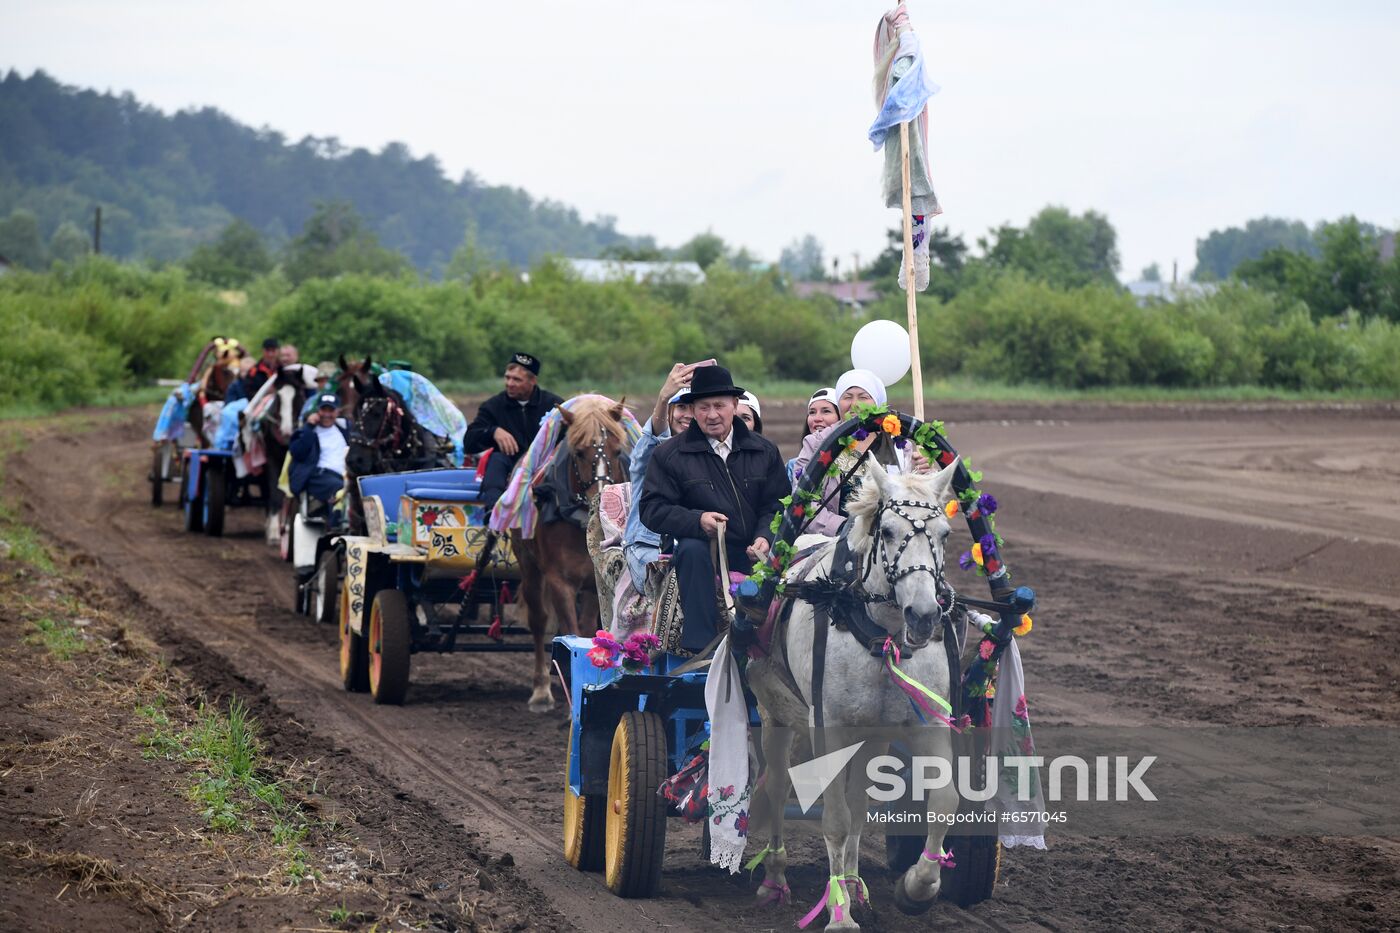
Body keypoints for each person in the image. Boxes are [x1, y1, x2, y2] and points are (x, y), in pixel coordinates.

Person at [639, 365, 789, 652]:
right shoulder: (669, 454)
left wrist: (764, 537)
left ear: (735, 405)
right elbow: (652, 509)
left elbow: (778, 504)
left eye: (719, 405)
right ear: (693, 411)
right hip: (704, 552)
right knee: (691, 549)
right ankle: (701, 647)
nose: (712, 415)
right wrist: (698, 521)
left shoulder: (764, 450)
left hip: (752, 549)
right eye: (703, 407)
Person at [789, 368, 930, 537]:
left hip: (889, 542)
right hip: (832, 543)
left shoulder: (900, 446)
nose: (854, 404)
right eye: (847, 397)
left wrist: (920, 474)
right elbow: (802, 501)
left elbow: (918, 503)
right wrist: (844, 528)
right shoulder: (816, 443)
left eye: (863, 397)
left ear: (878, 402)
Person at [622, 360, 713, 592]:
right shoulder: (654, 450)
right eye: (681, 407)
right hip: (649, 546)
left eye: (694, 407)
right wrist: (663, 398)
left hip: (695, 545)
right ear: (670, 411)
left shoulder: (710, 451)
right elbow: (655, 439)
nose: (689, 415)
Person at [463, 352, 564, 512]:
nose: (509, 383)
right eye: (507, 377)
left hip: (544, 465)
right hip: (508, 464)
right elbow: (468, 443)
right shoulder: (493, 406)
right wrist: (493, 431)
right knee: (496, 459)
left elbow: (570, 437)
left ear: (533, 381)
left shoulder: (554, 405)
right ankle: (494, 514)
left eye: (517, 379)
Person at [288, 393, 349, 507]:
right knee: (338, 488)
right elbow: (297, 453)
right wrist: (309, 426)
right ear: (317, 410)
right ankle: (336, 523)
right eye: (323, 410)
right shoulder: (308, 430)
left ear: (337, 412)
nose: (326, 414)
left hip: (345, 476)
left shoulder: (344, 428)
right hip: (318, 476)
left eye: (330, 410)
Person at [786, 387, 841, 483]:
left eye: (826, 411)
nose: (817, 418)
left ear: (841, 417)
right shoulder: (792, 466)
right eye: (812, 412)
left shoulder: (854, 461)